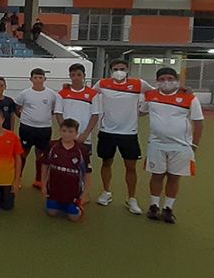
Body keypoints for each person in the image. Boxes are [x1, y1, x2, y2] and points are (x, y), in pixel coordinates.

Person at [139, 67, 204, 224]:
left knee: (174, 178)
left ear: (177, 80)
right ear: (157, 81)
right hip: (156, 145)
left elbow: (199, 122)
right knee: (157, 176)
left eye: (169, 78)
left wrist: (194, 145)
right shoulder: (150, 96)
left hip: (181, 146)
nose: (166, 82)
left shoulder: (189, 97)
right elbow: (141, 112)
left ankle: (168, 209)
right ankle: (154, 206)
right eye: (162, 79)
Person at [95, 59, 154, 214]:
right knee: (106, 163)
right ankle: (106, 192)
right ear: (110, 71)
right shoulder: (102, 83)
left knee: (131, 167)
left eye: (122, 68)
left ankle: (131, 198)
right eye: (115, 69)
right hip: (107, 131)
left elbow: (154, 94)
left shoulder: (138, 84)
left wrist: (143, 110)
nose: (119, 71)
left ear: (127, 69)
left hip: (129, 133)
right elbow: (89, 94)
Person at [54, 63, 101, 204]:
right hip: (67, 138)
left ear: (84, 76)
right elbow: (58, 113)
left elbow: (95, 116)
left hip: (84, 139)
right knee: (65, 165)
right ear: (70, 76)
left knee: (84, 167)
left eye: (79, 74)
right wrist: (66, 133)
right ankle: (64, 191)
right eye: (73, 75)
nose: (76, 78)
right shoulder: (62, 94)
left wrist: (85, 134)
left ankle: (84, 193)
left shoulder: (93, 94)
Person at [15, 68, 58, 189]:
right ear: (31, 79)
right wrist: (25, 118)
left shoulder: (51, 94)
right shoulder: (24, 93)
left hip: (44, 129)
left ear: (45, 79)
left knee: (41, 155)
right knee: (23, 153)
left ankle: (39, 180)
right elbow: (17, 107)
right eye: (35, 77)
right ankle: (18, 178)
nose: (38, 80)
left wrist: (43, 118)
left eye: (40, 77)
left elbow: (55, 109)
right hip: (27, 129)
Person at [42, 119, 87, 222]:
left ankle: (75, 207)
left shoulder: (82, 150)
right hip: (54, 189)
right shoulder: (52, 146)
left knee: (73, 218)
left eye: (71, 131)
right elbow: (45, 165)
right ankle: (59, 204)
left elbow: (87, 173)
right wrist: (44, 185)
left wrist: (86, 193)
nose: (67, 134)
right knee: (51, 213)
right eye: (64, 131)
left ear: (76, 133)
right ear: (60, 131)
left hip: (73, 191)